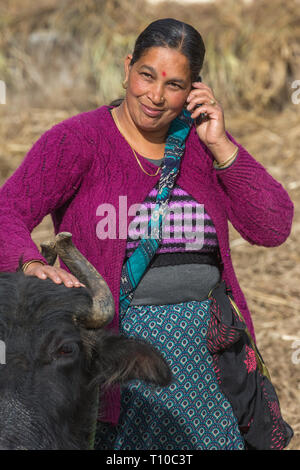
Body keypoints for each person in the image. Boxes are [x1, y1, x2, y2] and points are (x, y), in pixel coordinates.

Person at [0, 18, 294, 450]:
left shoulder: (201, 145)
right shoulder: (77, 141)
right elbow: (7, 210)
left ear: (195, 89)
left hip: (207, 370)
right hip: (118, 368)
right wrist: (29, 262)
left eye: (175, 84)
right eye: (147, 75)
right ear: (127, 68)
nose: (156, 96)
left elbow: (272, 227)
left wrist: (221, 145)